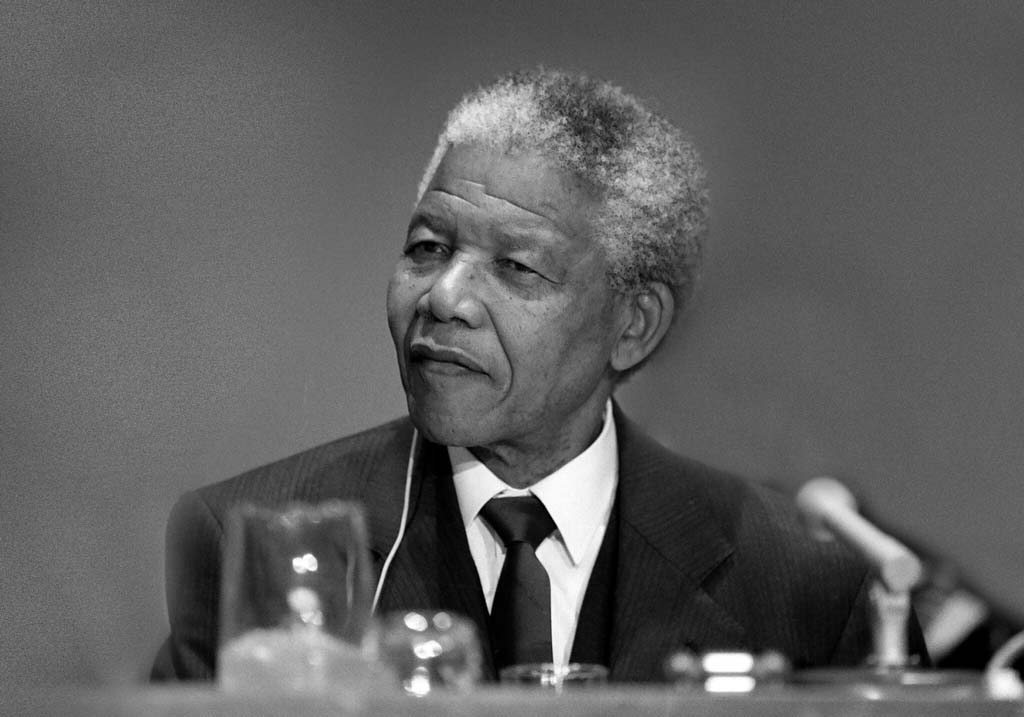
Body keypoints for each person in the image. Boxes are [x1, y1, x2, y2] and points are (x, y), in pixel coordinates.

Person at [151, 68, 925, 682]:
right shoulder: (250, 542)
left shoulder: (807, 582)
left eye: (515, 267)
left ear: (633, 325)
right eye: (427, 247)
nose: (445, 299)